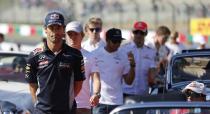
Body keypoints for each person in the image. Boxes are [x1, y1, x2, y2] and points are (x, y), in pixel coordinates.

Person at [25, 10, 85, 114]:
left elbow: (78, 84)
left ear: (63, 29)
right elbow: (32, 85)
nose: (55, 32)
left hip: (67, 110)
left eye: (58, 28)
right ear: (45, 29)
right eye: (51, 28)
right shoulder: (34, 56)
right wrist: (38, 104)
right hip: (42, 111)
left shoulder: (75, 55)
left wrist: (65, 101)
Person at [93, 28, 135, 114]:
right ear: (107, 40)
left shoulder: (123, 55)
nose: (117, 44)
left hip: (117, 102)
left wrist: (132, 66)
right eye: (114, 41)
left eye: (119, 41)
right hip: (100, 102)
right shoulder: (95, 54)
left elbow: (129, 81)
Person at [65, 21, 101, 114]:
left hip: (82, 105)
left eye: (75, 34)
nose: (72, 37)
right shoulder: (59, 55)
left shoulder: (90, 56)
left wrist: (96, 94)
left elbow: (96, 78)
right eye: (70, 34)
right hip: (63, 104)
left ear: (82, 35)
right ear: (66, 36)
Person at [120, 21, 156, 96]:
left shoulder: (151, 52)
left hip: (143, 93)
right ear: (133, 33)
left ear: (145, 34)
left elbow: (152, 72)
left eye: (141, 33)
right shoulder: (124, 49)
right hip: (126, 92)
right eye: (136, 32)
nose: (138, 35)